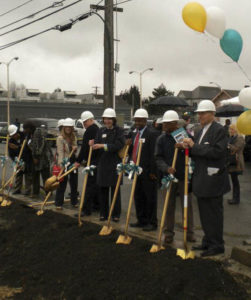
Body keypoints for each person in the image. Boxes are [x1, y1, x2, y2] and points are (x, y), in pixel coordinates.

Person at [183, 100, 230, 257]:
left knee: (213, 214)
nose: (200, 116)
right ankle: (208, 241)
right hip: (202, 179)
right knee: (204, 213)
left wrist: (194, 146)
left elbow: (217, 152)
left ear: (212, 114)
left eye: (203, 113)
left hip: (214, 180)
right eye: (199, 113)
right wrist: (189, 147)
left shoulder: (219, 130)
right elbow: (199, 152)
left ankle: (217, 245)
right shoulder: (200, 130)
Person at [155, 110, 195, 243]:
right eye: (164, 124)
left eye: (167, 124)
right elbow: (158, 157)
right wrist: (166, 168)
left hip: (183, 176)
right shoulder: (161, 139)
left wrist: (183, 147)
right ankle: (168, 233)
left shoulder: (183, 135)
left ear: (175, 123)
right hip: (169, 177)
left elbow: (193, 153)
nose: (165, 126)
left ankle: (189, 233)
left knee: (186, 205)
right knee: (168, 206)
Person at [91, 108, 125, 222]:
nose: (107, 121)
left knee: (115, 191)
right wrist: (93, 144)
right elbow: (96, 144)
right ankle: (103, 213)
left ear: (113, 119)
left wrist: (103, 146)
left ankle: (116, 214)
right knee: (103, 190)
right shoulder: (100, 131)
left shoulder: (119, 131)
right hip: (103, 164)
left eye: (110, 119)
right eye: (106, 119)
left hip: (115, 164)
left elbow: (118, 145)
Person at [129, 108, 158, 232]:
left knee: (149, 198)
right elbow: (133, 150)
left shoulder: (152, 133)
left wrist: (153, 171)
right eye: (136, 120)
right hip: (136, 170)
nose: (138, 123)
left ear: (145, 120)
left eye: (140, 120)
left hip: (147, 171)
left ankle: (152, 222)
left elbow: (154, 154)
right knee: (138, 196)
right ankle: (141, 220)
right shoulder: (135, 133)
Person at [75, 111, 99, 216]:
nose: (84, 124)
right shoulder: (97, 129)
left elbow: (84, 148)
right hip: (97, 161)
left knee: (89, 186)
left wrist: (78, 161)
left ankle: (86, 209)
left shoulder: (90, 130)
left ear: (91, 120)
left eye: (85, 122)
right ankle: (97, 206)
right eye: (83, 122)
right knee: (95, 185)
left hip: (93, 161)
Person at [55, 118, 78, 209]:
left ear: (72, 127)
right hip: (64, 161)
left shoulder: (74, 137)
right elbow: (60, 152)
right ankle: (59, 203)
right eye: (66, 127)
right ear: (64, 127)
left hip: (72, 161)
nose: (68, 128)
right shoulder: (60, 138)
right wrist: (61, 165)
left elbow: (74, 151)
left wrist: (75, 149)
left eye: (70, 127)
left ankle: (74, 201)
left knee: (74, 182)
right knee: (62, 183)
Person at [29, 123, 53, 197]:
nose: (24, 130)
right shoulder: (30, 135)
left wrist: (36, 156)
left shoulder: (38, 133)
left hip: (43, 159)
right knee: (35, 176)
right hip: (35, 159)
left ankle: (48, 192)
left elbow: (39, 146)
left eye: (25, 129)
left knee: (45, 177)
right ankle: (35, 192)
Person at [8, 125, 32, 195]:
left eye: (14, 135)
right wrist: (16, 162)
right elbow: (11, 154)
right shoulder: (11, 141)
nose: (13, 136)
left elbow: (26, 149)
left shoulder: (25, 137)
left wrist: (17, 147)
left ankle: (28, 191)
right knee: (18, 175)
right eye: (12, 135)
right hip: (18, 160)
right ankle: (17, 189)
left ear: (17, 132)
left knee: (28, 176)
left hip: (27, 159)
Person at [227, 124, 245, 204]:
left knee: (235, 181)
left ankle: (236, 199)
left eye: (232, 129)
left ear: (236, 130)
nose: (230, 131)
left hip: (237, 161)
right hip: (232, 161)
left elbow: (236, 148)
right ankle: (234, 198)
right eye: (230, 129)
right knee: (234, 180)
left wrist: (228, 146)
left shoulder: (239, 137)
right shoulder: (232, 137)